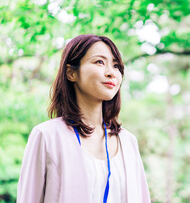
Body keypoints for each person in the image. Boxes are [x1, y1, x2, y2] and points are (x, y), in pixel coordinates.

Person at [17, 34, 151, 203]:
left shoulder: (128, 141)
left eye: (116, 65)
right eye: (99, 62)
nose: (111, 73)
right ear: (71, 73)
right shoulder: (47, 136)